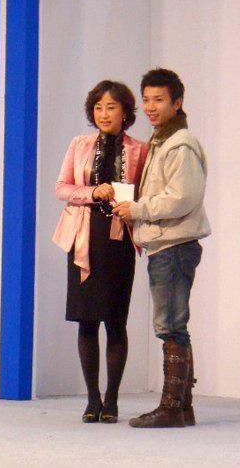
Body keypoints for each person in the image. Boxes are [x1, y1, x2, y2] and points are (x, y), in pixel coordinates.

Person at [113, 68, 211, 428]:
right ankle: (181, 408)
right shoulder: (163, 141)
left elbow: (183, 197)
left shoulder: (178, 144)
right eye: (147, 100)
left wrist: (137, 209)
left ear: (177, 102)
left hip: (174, 244)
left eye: (159, 100)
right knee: (173, 325)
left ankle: (172, 407)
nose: (151, 107)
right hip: (166, 244)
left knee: (170, 326)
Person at [53, 80, 148, 423]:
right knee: (87, 320)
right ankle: (92, 399)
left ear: (125, 112)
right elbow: (61, 187)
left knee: (116, 321)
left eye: (111, 107)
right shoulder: (79, 144)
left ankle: (112, 400)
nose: (104, 114)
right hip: (83, 238)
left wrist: (131, 204)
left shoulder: (139, 150)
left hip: (118, 241)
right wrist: (93, 192)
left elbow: (146, 193)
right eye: (98, 107)